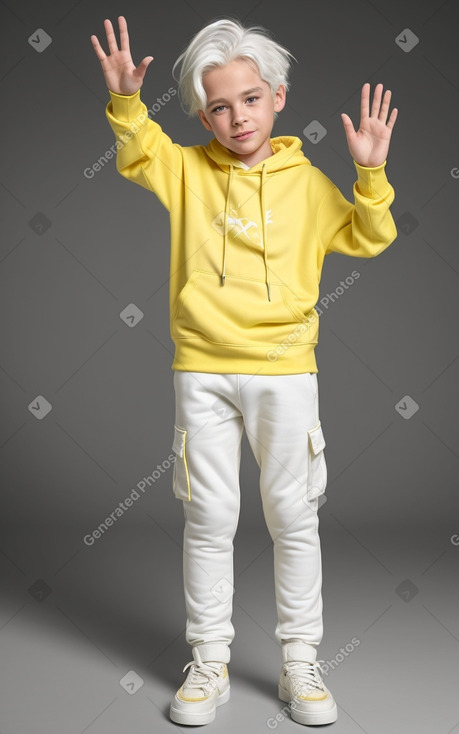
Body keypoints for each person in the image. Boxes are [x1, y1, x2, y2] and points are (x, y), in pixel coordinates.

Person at [90, 14, 398, 727]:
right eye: (219, 106)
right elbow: (138, 151)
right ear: (201, 113)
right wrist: (127, 101)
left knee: (293, 518)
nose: (236, 117)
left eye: (250, 99)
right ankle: (209, 665)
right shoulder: (186, 169)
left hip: (286, 372)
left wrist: (371, 172)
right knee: (209, 518)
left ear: (278, 97)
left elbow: (367, 235)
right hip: (201, 369)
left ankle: (299, 665)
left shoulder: (308, 181)